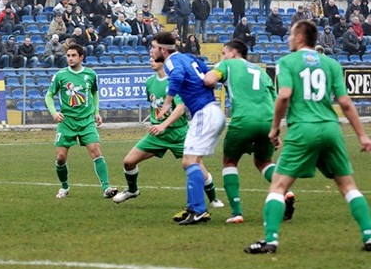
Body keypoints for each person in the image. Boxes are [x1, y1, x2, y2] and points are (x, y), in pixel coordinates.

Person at [245, 20, 371, 254]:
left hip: (303, 129)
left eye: (292, 35)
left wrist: (274, 128)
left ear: (301, 37)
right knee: (348, 185)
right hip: (331, 129)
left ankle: (270, 239)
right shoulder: (330, 63)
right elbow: (344, 102)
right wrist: (362, 136)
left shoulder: (287, 62)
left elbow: (284, 96)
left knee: (279, 186)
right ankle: (369, 235)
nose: (289, 39)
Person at [114, 51, 222, 207]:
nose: (150, 60)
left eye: (154, 58)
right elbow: (154, 106)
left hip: (179, 134)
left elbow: (180, 108)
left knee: (197, 166)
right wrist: (154, 123)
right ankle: (132, 190)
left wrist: (163, 125)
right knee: (128, 162)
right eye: (149, 58)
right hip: (157, 135)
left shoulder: (174, 82)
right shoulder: (150, 82)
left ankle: (213, 199)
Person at [204, 40, 286, 224]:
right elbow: (276, 102)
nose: (223, 56)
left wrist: (207, 78)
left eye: (224, 52)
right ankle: (286, 192)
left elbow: (209, 80)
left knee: (229, 162)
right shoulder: (261, 72)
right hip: (267, 121)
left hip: (244, 120)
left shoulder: (227, 64)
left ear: (233, 53)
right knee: (264, 161)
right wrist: (276, 131)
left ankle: (237, 212)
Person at [153, 31, 226, 225]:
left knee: (190, 161)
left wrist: (167, 102)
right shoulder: (188, 57)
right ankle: (193, 207)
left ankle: (199, 210)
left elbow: (177, 76)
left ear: (162, 49)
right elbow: (206, 73)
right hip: (210, 110)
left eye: (153, 47)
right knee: (189, 161)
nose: (151, 52)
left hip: (204, 113)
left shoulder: (170, 62)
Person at [45, 44, 118, 199]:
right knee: (60, 158)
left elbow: (94, 92)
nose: (70, 58)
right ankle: (64, 187)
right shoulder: (61, 75)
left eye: (73, 55)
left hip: (86, 121)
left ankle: (106, 188)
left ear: (81, 57)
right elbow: (49, 96)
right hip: (67, 122)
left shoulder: (91, 74)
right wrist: (54, 112)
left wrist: (96, 112)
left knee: (96, 151)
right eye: (68, 56)